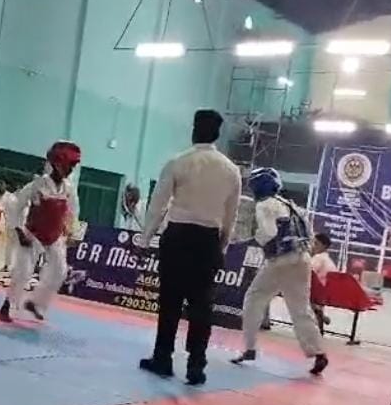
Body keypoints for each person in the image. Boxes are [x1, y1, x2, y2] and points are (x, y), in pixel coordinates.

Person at [137, 109, 241, 386]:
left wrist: (145, 239)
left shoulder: (178, 162)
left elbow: (158, 205)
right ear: (217, 135)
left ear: (194, 131)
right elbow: (231, 216)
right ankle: (196, 365)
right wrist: (221, 246)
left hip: (178, 237)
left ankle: (163, 358)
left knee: (170, 301)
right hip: (208, 240)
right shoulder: (231, 171)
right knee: (202, 305)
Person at [232, 167, 329, 376]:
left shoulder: (265, 204)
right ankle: (318, 352)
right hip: (303, 258)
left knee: (254, 298)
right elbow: (310, 236)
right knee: (300, 308)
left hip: (280, 260)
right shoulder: (293, 206)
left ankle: (249, 348)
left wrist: (250, 241)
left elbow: (268, 233)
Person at [0, 141, 81, 323]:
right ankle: (8, 304)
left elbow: (73, 212)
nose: (70, 170)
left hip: (55, 235)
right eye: (68, 166)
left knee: (60, 270)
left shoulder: (69, 188)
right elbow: (14, 205)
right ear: (56, 164)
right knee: (24, 271)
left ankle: (36, 303)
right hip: (32, 234)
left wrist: (72, 232)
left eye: (72, 167)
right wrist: (19, 230)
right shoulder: (37, 185)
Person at [309, 232, 337, 328]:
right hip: (326, 292)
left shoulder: (318, 258)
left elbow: (307, 271)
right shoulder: (327, 259)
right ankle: (318, 312)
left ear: (324, 246)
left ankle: (317, 311)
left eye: (316, 243)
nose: (313, 246)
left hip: (317, 292)